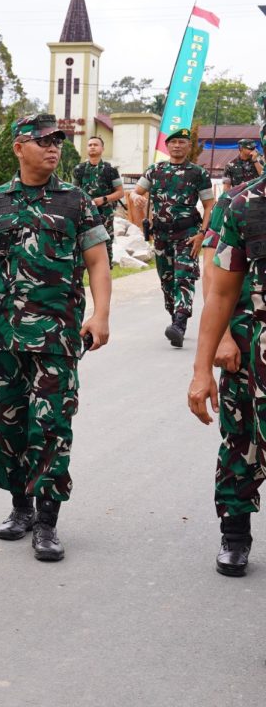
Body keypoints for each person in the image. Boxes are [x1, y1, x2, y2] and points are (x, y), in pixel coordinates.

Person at [0, 113, 110, 563]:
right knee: (9, 421)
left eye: (57, 141)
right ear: (18, 147)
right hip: (5, 336)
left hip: (57, 336)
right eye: (43, 140)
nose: (52, 148)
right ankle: (20, 506)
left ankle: (47, 521)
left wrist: (100, 315)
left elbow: (98, 261)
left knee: (50, 425)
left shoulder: (75, 201)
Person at [194, 171, 264, 576]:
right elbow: (215, 278)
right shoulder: (238, 203)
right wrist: (220, 340)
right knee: (241, 439)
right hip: (249, 343)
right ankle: (235, 535)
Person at [132, 128, 215, 347]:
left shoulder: (198, 173)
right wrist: (135, 197)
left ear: (189, 146)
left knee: (184, 277)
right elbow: (136, 192)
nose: (177, 145)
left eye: (182, 142)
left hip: (187, 234)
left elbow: (209, 205)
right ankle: (174, 316)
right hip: (161, 235)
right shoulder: (155, 170)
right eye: (173, 142)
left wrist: (202, 234)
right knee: (167, 281)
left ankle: (179, 323)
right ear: (167, 146)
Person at [72, 136, 124, 267]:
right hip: (84, 215)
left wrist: (104, 199)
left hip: (104, 215)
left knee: (106, 245)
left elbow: (120, 193)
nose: (92, 147)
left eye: (95, 144)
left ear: (102, 148)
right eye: (90, 145)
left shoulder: (110, 170)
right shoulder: (79, 169)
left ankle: (105, 274)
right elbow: (73, 192)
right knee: (81, 244)